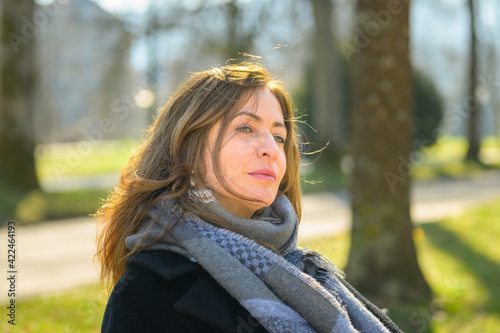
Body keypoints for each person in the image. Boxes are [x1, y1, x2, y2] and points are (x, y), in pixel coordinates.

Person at [95, 61, 403, 333]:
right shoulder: (149, 289)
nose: (271, 148)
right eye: (245, 128)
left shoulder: (305, 271)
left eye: (279, 136)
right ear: (187, 147)